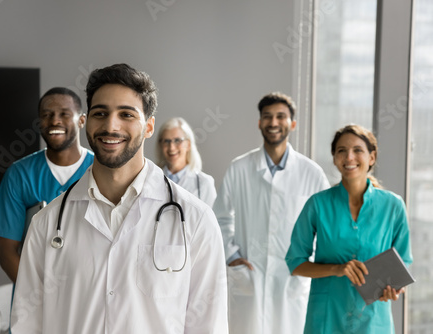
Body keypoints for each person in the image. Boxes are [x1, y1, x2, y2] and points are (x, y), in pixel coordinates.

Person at [11, 63, 228, 333]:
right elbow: (26, 324)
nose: (110, 126)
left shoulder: (196, 221)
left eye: (126, 114)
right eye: (100, 113)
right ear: (87, 122)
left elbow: (208, 325)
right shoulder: (47, 224)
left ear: (148, 127)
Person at [213, 92, 330, 333]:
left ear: (293, 124)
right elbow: (220, 217)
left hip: (293, 280)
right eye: (267, 117)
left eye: (281, 116)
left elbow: (326, 227)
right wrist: (232, 257)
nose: (273, 122)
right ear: (259, 123)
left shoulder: (312, 173)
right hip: (250, 278)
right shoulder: (240, 168)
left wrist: (309, 262)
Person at [285, 124, 413, 333]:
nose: (349, 157)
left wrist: (394, 289)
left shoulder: (393, 206)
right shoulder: (317, 205)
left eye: (358, 150)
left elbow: (403, 263)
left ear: (372, 158)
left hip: (373, 322)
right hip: (326, 319)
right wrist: (337, 269)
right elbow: (295, 262)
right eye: (341, 151)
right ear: (335, 159)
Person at [0, 87, 94, 283]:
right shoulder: (20, 174)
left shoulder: (100, 171)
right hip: (34, 300)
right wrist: (38, 297)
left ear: (82, 120)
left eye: (64, 114)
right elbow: (7, 253)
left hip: (89, 295)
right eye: (47, 115)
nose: (54, 121)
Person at [156, 117, 217, 207]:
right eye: (166, 141)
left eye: (177, 140)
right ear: (160, 145)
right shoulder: (152, 178)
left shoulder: (204, 183)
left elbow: (212, 220)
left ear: (188, 144)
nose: (171, 147)